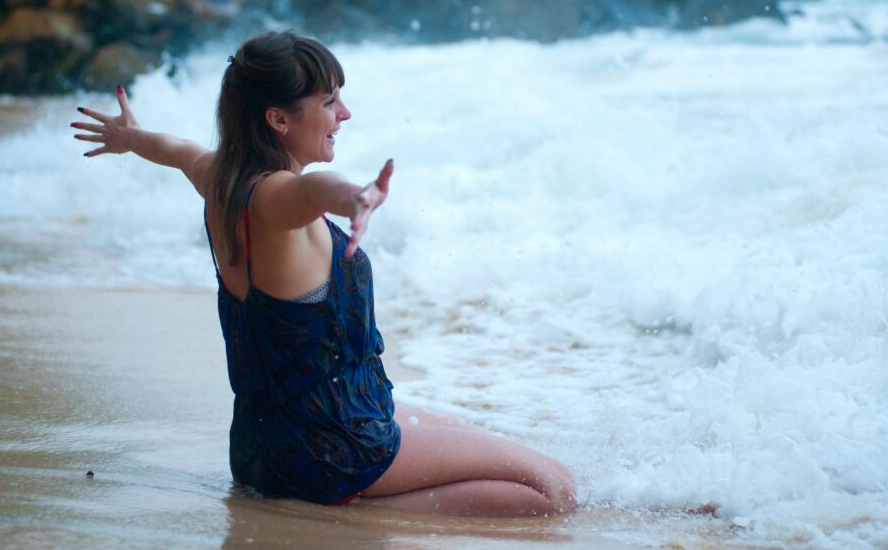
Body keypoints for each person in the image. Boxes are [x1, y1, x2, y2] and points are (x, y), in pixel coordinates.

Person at [71, 31, 577, 516]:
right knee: (554, 489)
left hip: (264, 447)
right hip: (331, 449)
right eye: (329, 102)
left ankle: (337, 500)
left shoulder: (219, 179)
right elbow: (316, 190)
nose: (345, 114)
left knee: (474, 438)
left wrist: (131, 137)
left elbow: (176, 150)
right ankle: (354, 516)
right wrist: (356, 197)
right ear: (279, 119)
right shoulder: (276, 199)